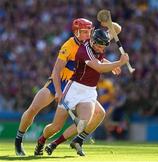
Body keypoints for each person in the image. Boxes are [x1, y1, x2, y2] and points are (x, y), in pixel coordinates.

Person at [15, 18, 121, 156]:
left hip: (77, 85)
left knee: (98, 114)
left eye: (88, 31)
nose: (86, 35)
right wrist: (58, 91)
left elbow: (116, 29)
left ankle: (71, 140)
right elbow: (56, 71)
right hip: (60, 82)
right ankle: (18, 140)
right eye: (83, 32)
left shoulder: (93, 39)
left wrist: (106, 24)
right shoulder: (68, 46)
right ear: (76, 32)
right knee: (33, 109)